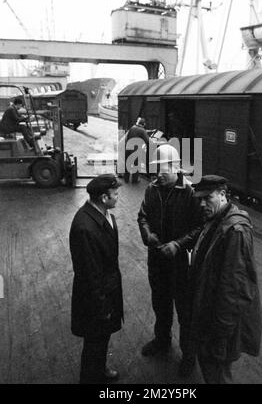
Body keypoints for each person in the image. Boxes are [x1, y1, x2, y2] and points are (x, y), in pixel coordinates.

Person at [187, 175, 262, 384]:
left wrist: (220, 335)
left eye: (207, 198)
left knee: (217, 374)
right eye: (199, 199)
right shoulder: (216, 219)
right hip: (209, 316)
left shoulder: (235, 231)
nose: (202, 204)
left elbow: (235, 289)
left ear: (222, 195)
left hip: (219, 326)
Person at [137, 143, 202, 374]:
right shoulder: (152, 190)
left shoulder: (191, 193)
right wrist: (148, 235)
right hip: (157, 259)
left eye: (162, 169)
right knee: (160, 303)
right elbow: (142, 216)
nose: (158, 175)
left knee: (185, 310)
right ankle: (162, 340)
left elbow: (199, 228)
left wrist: (178, 244)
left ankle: (188, 354)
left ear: (176, 167)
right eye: (156, 170)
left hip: (181, 262)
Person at [69, 174, 123, 384]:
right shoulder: (85, 228)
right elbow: (89, 275)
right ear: (103, 197)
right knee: (94, 342)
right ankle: (91, 377)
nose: (118, 197)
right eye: (115, 194)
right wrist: (103, 307)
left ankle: (100, 369)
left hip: (107, 291)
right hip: (95, 299)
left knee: (102, 338)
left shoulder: (104, 215)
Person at [124, 117, 150, 183]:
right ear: (143, 124)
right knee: (136, 164)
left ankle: (126, 179)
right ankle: (134, 180)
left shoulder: (132, 127)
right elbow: (147, 140)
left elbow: (127, 137)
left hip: (128, 148)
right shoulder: (142, 130)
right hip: (136, 150)